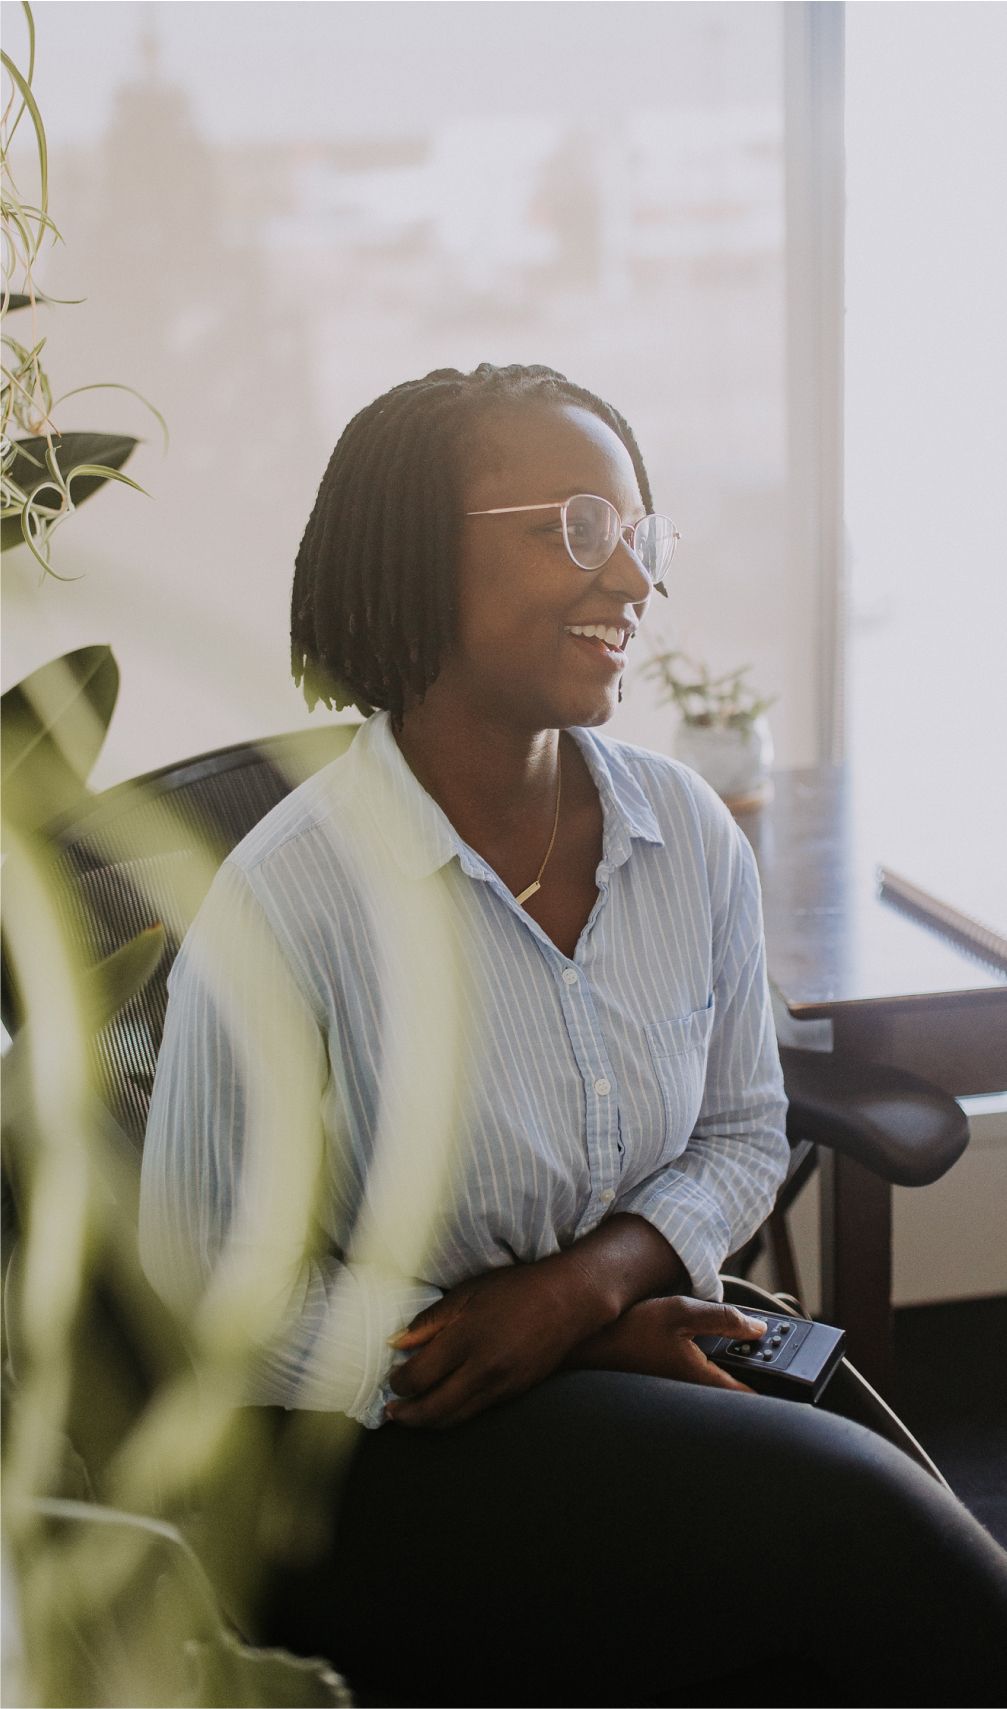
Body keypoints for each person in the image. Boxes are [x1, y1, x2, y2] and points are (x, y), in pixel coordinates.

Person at [140, 363, 1007, 1707]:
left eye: (641, 540)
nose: (632, 583)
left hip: (636, 1337)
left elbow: (737, 1132)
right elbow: (207, 1293)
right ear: (417, 555)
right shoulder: (289, 902)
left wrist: (589, 1289)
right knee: (863, 1536)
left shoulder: (688, 840)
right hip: (378, 1453)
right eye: (577, 530)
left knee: (921, 1536)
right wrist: (564, 1337)